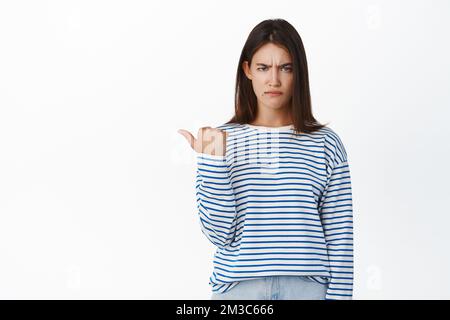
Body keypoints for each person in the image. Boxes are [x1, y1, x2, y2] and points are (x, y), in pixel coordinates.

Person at [178, 18, 353, 300]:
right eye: (263, 68)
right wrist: (212, 161)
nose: (274, 80)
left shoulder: (326, 143)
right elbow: (219, 234)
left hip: (306, 290)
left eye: (286, 68)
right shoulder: (217, 140)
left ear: (299, 73)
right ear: (247, 70)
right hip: (238, 290)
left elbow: (339, 236)